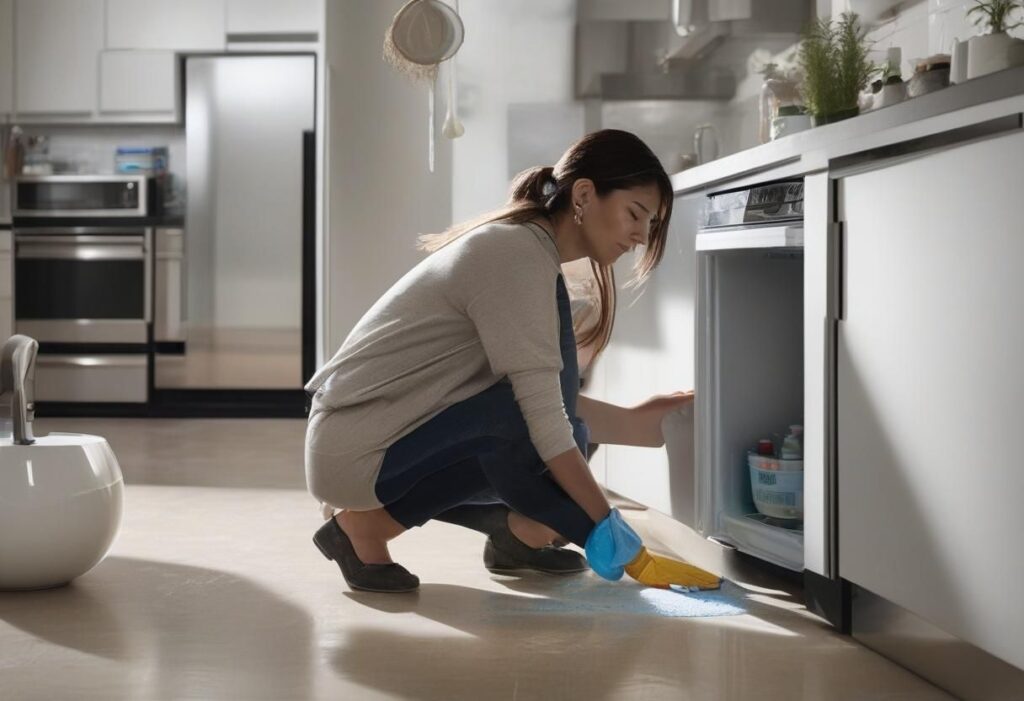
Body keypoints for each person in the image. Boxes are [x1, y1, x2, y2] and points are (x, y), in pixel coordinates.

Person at [305, 129, 720, 593]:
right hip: (357, 447)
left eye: (651, 225)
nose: (642, 237)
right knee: (534, 434)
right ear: (584, 194)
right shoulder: (516, 256)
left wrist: (634, 424)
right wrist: (610, 533)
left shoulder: (532, 255)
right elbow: (535, 416)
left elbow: (544, 403)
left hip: (378, 435)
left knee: (566, 438)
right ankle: (368, 529)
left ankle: (512, 535)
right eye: (636, 215)